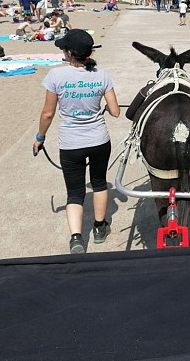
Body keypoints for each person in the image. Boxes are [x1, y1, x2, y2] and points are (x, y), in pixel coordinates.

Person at [34, 29, 120, 253]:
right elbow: (115, 111)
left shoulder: (55, 76)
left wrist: (39, 138)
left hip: (71, 143)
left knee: (74, 193)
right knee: (99, 182)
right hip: (99, 139)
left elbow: (47, 114)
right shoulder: (102, 75)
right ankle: (100, 227)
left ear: (70, 53)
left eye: (64, 48)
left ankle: (76, 238)